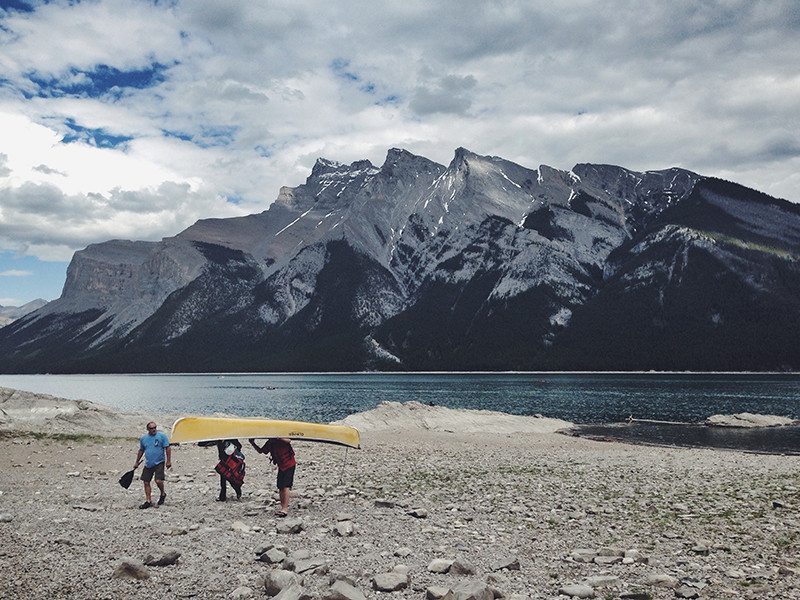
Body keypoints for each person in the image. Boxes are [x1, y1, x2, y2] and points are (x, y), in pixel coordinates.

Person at [249, 437, 295, 516]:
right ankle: (282, 507)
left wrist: (278, 437)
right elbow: (261, 451)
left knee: (286, 486)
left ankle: (285, 509)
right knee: (280, 486)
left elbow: (288, 440)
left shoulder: (282, 438)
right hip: (281, 466)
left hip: (289, 464)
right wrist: (253, 443)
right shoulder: (270, 442)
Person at [134, 421, 171, 509]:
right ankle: (148, 501)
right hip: (148, 463)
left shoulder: (162, 436)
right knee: (146, 482)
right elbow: (141, 450)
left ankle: (162, 493)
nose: (154, 429)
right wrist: (136, 462)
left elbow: (167, 448)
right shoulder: (144, 438)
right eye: (151, 428)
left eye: (155, 427)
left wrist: (168, 461)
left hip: (159, 462)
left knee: (158, 481)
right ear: (148, 429)